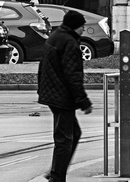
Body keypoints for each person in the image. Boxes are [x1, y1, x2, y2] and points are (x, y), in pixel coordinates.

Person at [36, 10, 93, 182]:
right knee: (65, 139)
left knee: (73, 133)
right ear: (75, 26)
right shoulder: (69, 43)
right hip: (61, 96)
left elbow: (42, 66)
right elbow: (72, 75)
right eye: (82, 26)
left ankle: (55, 172)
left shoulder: (56, 36)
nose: (84, 30)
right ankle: (57, 177)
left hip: (53, 93)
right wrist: (84, 101)